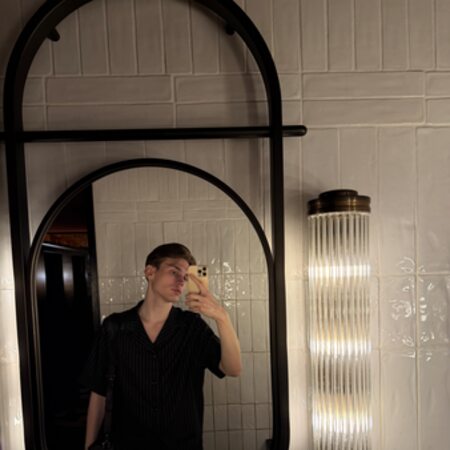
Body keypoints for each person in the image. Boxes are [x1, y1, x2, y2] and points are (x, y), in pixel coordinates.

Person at [81, 243, 241, 450]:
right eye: (174, 272)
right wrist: (89, 446)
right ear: (150, 272)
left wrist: (222, 317)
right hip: (127, 444)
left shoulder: (192, 327)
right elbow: (99, 393)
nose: (181, 281)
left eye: (185, 277)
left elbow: (233, 369)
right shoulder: (114, 328)